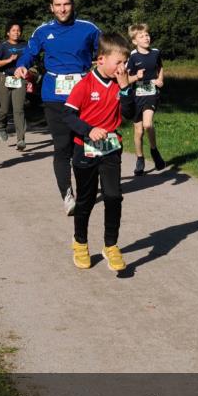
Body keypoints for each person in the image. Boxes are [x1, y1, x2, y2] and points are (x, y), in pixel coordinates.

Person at [14, 0, 100, 214]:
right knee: (62, 146)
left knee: (85, 145)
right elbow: (28, 53)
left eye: (66, 4)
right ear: (51, 7)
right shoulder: (43, 31)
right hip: (54, 95)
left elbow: (104, 53)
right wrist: (21, 65)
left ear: (73, 5)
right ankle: (67, 195)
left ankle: (86, 189)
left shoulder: (89, 29)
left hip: (84, 95)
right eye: (58, 5)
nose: (62, 9)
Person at [63, 32, 136, 273]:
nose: (122, 67)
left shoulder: (120, 83)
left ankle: (111, 246)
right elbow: (68, 116)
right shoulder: (85, 85)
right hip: (85, 150)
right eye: (119, 62)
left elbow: (130, 114)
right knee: (86, 200)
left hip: (111, 149)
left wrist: (125, 88)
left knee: (114, 196)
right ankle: (80, 243)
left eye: (125, 62)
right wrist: (88, 130)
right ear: (101, 59)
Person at [126, 23, 166, 175]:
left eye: (147, 35)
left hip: (151, 93)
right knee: (138, 131)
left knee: (148, 125)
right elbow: (126, 79)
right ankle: (140, 158)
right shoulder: (132, 56)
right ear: (135, 41)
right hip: (137, 95)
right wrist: (136, 76)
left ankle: (154, 151)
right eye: (141, 36)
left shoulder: (155, 52)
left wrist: (160, 80)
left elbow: (160, 67)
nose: (146, 38)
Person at [0, 22, 29, 150]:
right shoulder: (3, 46)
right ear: (8, 32)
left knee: (19, 109)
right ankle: (2, 126)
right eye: (13, 30)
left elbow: (30, 61)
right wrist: (9, 60)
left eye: (18, 30)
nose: (16, 33)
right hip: (4, 78)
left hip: (19, 79)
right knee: (5, 108)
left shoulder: (25, 45)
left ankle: (21, 140)